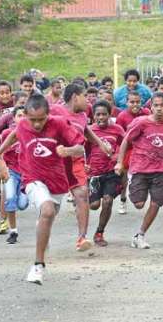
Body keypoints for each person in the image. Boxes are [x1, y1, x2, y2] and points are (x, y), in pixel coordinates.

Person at [0, 94, 84, 285]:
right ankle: (38, 266)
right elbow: (13, 136)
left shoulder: (59, 124)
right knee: (47, 210)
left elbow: (80, 148)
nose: (37, 124)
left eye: (41, 120)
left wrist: (68, 151)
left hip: (57, 182)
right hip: (32, 179)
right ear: (25, 116)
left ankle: (42, 228)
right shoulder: (23, 124)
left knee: (48, 216)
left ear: (48, 115)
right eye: (33, 120)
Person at [115, 92, 163, 249]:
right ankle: (125, 190)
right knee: (139, 204)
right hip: (139, 168)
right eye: (156, 105)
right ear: (151, 107)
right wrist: (119, 163)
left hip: (160, 169)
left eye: (162, 105)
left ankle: (140, 234)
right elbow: (126, 140)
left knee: (156, 202)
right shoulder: (141, 123)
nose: (159, 109)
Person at [50, 83, 113, 251]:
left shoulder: (84, 115)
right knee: (52, 206)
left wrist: (101, 144)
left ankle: (82, 238)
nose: (88, 100)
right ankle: (44, 225)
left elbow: (86, 132)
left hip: (75, 160)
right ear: (75, 97)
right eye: (84, 96)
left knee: (82, 194)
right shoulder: (54, 110)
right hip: (55, 161)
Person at [86, 100, 125, 246]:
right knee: (95, 205)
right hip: (94, 173)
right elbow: (83, 150)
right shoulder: (90, 130)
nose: (101, 117)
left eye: (104, 114)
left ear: (110, 115)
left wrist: (119, 159)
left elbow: (126, 145)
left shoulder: (117, 130)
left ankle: (99, 233)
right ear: (93, 116)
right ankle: (84, 199)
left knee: (108, 201)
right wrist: (85, 164)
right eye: (98, 115)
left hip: (111, 172)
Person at [116, 91, 150, 214]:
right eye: (132, 102)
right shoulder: (122, 116)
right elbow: (119, 136)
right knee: (124, 176)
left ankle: (141, 196)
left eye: (138, 102)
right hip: (128, 149)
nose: (135, 105)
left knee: (144, 174)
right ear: (126, 103)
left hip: (143, 150)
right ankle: (123, 199)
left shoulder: (146, 113)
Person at [0, 108, 30, 245]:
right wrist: (3, 168)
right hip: (11, 171)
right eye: (19, 115)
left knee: (22, 205)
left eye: (25, 115)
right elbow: (1, 153)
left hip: (26, 174)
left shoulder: (32, 133)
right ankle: (13, 231)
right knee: (10, 198)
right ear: (14, 118)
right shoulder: (7, 133)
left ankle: (23, 195)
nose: (22, 118)